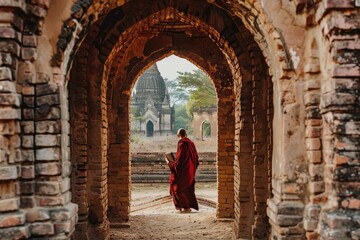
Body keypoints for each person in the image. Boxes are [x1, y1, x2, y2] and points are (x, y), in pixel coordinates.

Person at [166, 128, 199, 213]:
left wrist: (169, 162)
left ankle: (186, 207)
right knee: (187, 188)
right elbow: (196, 158)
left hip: (184, 171)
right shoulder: (191, 144)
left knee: (177, 188)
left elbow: (179, 162)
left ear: (178, 135)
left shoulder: (182, 145)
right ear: (186, 134)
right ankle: (185, 206)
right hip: (190, 170)